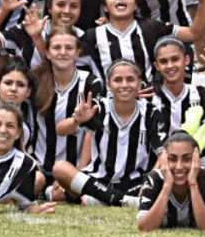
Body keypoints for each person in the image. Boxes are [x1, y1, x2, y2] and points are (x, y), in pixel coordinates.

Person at [52, 60, 162, 207]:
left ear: (139, 83)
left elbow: (163, 154)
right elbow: (60, 129)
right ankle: (120, 200)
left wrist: (150, 183)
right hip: (99, 180)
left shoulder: (151, 112)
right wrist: (76, 121)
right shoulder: (99, 108)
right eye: (118, 80)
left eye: (130, 79)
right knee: (59, 168)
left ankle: (100, 199)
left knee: (167, 173)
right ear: (109, 84)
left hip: (135, 182)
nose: (124, 85)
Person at [82, 0, 205, 83]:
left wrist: (203, 2)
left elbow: (193, 34)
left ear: (136, 5)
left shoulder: (151, 27)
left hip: (149, 102)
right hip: (108, 104)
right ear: (105, 6)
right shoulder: (92, 35)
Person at [31, 27, 100, 179]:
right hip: (40, 166)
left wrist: (79, 173)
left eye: (69, 48)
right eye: (56, 47)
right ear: (47, 53)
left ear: (78, 52)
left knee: (60, 194)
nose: (62, 52)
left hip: (75, 167)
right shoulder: (36, 81)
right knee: (37, 182)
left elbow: (91, 132)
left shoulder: (91, 83)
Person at [136, 131, 205, 232]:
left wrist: (193, 184)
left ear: (196, 159)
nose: (179, 166)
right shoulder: (154, 178)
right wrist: (167, 185)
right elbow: (144, 227)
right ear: (164, 160)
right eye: (172, 159)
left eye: (187, 159)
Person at [151, 37, 205, 140]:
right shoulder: (149, 96)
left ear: (186, 60)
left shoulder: (201, 94)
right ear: (156, 66)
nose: (170, 65)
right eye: (163, 61)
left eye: (175, 59)